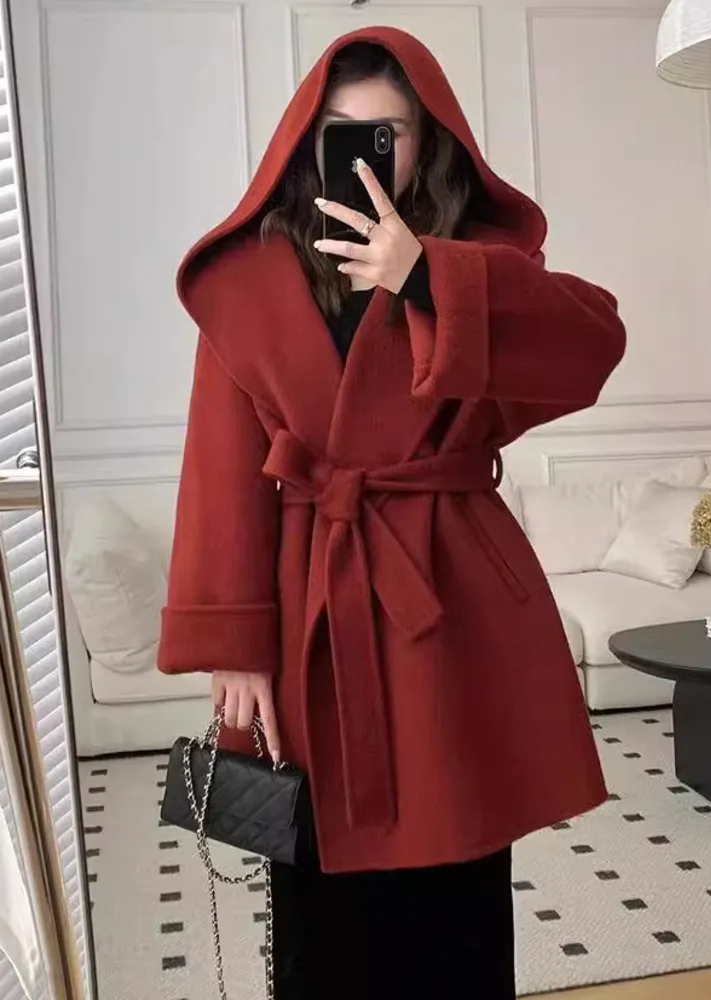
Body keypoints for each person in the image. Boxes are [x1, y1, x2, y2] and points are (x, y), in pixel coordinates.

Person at [158, 25, 626, 1000]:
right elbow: (220, 469)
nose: (365, 154)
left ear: (426, 142)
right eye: (341, 130)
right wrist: (232, 643)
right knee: (316, 872)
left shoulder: (475, 261)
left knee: (457, 865)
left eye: (389, 133)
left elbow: (593, 346)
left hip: (447, 602)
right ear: (306, 138)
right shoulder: (246, 280)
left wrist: (424, 277)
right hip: (313, 603)